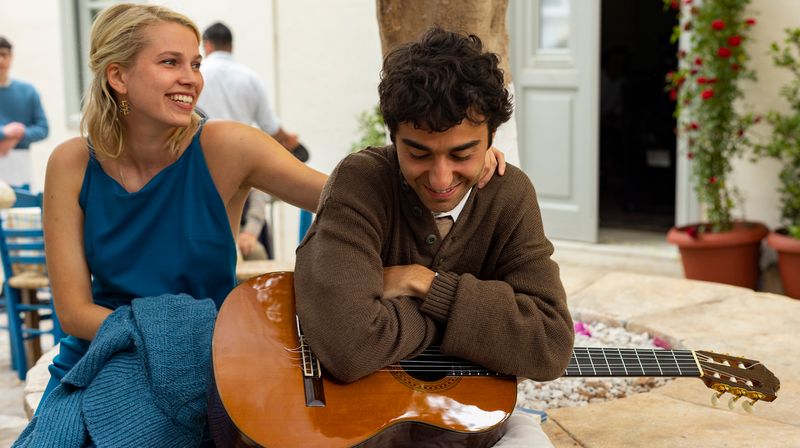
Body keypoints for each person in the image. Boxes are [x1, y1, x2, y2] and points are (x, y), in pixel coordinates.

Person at [294, 27, 574, 447]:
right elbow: (349, 345)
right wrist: (479, 325)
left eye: (462, 154)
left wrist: (422, 283)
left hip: (472, 429)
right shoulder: (360, 182)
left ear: (491, 140)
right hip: (359, 430)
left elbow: (549, 344)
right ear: (392, 139)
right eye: (419, 153)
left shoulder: (510, 195)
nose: (441, 179)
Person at [198, 21, 302, 260]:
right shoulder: (249, 77)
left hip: (204, 170)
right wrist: (290, 141)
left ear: (207, 45)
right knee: (252, 245)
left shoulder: (198, 76)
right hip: (245, 168)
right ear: (231, 46)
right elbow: (271, 127)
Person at [0, 36, 49, 156]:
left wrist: (20, 135)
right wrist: (4, 132)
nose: (0, 60)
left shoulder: (28, 91)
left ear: (11, 57)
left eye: (4, 54)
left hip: (20, 163)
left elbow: (43, 129)